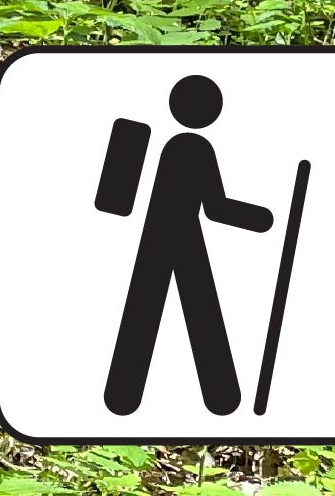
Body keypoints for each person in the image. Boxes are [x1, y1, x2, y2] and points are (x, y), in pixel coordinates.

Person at [104, 73, 273, 416]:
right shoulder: (193, 147)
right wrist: (263, 219)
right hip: (180, 237)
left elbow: (114, 199)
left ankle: (122, 398)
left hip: (159, 235)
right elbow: (216, 208)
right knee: (200, 311)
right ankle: (221, 398)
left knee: (147, 312)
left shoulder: (142, 133)